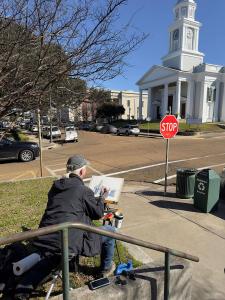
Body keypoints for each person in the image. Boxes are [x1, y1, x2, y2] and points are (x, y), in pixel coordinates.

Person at [0, 155, 116, 300]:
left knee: (44, 264)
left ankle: (18, 291)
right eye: (85, 168)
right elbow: (98, 214)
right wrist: (102, 198)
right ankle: (105, 269)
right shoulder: (83, 190)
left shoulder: (55, 186)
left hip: (45, 238)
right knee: (111, 232)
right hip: (66, 242)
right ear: (81, 172)